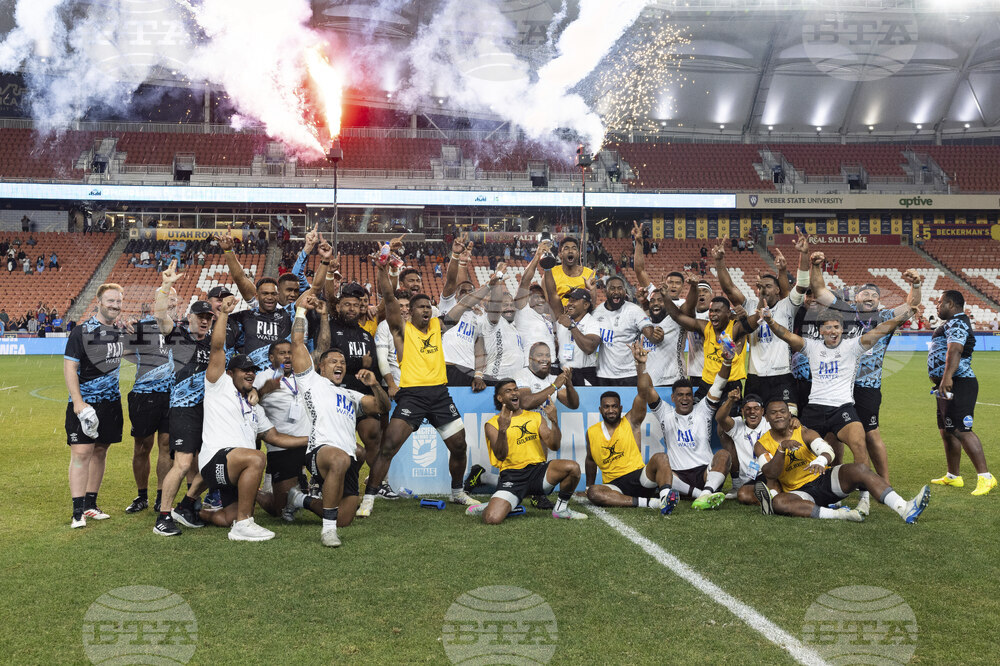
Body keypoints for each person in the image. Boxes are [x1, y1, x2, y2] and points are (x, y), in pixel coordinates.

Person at [759, 303, 911, 516]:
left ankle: (864, 499)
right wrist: (770, 321)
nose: (832, 331)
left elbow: (880, 330)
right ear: (821, 331)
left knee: (859, 443)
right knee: (799, 450)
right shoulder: (812, 346)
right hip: (814, 408)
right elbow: (786, 335)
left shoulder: (853, 346)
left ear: (842, 330)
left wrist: (903, 316)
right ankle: (785, 491)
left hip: (842, 408)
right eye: (828, 328)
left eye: (836, 328)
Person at [357, 258, 478, 518]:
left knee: (459, 446)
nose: (426, 310)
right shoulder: (401, 330)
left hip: (440, 394)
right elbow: (389, 298)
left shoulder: (438, 326)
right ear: (409, 312)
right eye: (420, 307)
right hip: (412, 396)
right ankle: (369, 498)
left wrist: (488, 286)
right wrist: (382, 271)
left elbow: (463, 305)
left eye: (428, 306)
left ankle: (457, 492)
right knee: (388, 447)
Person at [197, 296, 309, 541]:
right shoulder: (219, 384)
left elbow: (275, 437)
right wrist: (224, 314)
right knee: (258, 457)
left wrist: (311, 439)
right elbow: (217, 348)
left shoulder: (253, 406)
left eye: (252, 371)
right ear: (230, 372)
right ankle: (244, 524)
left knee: (226, 517)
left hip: (234, 468)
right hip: (216, 461)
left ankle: (199, 514)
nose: (250, 374)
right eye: (244, 370)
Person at [285, 293, 391, 546]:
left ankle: (300, 500)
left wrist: (375, 385)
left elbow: (381, 406)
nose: (339, 364)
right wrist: (300, 311)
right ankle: (328, 531)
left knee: (345, 516)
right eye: (333, 361)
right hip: (321, 450)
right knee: (342, 457)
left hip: (347, 457)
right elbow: (297, 344)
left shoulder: (351, 393)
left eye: (342, 362)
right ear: (321, 367)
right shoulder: (311, 381)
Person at [809, 250, 922, 483]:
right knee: (833, 434)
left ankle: (884, 482)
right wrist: (816, 266)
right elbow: (819, 291)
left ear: (879, 301)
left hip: (867, 386)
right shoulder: (844, 312)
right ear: (856, 299)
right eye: (864, 293)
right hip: (838, 385)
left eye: (874, 294)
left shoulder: (885, 316)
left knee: (871, 434)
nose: (870, 296)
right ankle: (835, 477)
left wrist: (917, 285)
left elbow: (911, 305)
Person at [754, 399, 930, 523]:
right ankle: (840, 514)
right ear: (766, 417)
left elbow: (827, 450)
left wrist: (821, 461)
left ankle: (904, 508)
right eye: (773, 413)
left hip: (824, 479)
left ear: (789, 414)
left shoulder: (804, 432)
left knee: (860, 468)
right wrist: (782, 448)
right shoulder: (761, 445)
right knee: (779, 503)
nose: (779, 416)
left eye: (782, 412)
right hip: (800, 492)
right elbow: (771, 473)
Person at [152, 263, 216, 536]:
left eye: (208, 317)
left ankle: (187, 505)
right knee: (183, 463)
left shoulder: (213, 343)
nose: (204, 320)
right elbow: (160, 315)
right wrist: (165, 286)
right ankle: (163, 516)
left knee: (210, 463)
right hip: (183, 410)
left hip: (209, 412)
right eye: (199, 316)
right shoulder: (177, 336)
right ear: (189, 317)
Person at [638, 336, 737, 509]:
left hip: (706, 474)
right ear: (673, 398)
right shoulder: (665, 412)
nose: (685, 398)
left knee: (723, 455)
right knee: (662, 471)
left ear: (693, 397)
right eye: (680, 395)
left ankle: (706, 492)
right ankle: (702, 496)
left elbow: (719, 384)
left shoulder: (703, 409)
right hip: (679, 477)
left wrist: (727, 361)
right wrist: (641, 365)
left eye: (688, 395)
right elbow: (647, 389)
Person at [467, 380, 586, 523]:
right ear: (500, 398)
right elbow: (500, 455)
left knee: (572, 468)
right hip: (512, 477)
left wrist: (554, 422)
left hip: (538, 472)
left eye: (515, 389)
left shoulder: (535, 417)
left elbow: (554, 445)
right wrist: (503, 430)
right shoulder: (493, 424)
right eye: (508, 391)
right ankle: (496, 505)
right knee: (491, 518)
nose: (514, 393)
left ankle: (561, 509)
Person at [584, 345, 680, 514]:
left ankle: (665, 497)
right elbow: (590, 460)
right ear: (600, 410)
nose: (611, 410)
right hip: (614, 485)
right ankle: (652, 504)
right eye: (606, 407)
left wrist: (641, 365)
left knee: (660, 457)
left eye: (614, 406)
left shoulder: (631, 421)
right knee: (594, 493)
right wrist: (588, 486)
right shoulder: (592, 432)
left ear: (620, 408)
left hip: (639, 478)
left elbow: (643, 393)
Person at [714, 234, 804, 413]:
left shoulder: (787, 307)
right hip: (755, 376)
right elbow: (729, 288)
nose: (763, 289)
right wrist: (719, 261)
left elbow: (801, 285)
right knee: (752, 422)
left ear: (778, 290)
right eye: (760, 286)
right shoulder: (749, 306)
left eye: (768, 286)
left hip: (782, 375)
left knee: (788, 422)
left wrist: (793, 262)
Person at [63, 284, 126, 528]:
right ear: (98, 302)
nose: (115, 305)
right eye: (110, 300)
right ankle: (77, 511)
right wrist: (78, 401)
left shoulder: (121, 331)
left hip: (111, 403)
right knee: (81, 453)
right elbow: (70, 367)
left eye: (118, 301)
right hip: (85, 403)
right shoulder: (81, 331)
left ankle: (90, 505)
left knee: (100, 451)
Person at [928, 290, 995, 496]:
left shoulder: (957, 322)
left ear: (950, 303)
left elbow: (955, 349)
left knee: (962, 429)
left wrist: (947, 376)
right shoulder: (951, 322)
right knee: (947, 430)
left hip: (959, 382)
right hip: (946, 384)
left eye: (939, 303)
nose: (937, 306)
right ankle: (953, 476)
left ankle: (986, 477)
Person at [124, 294, 177, 514]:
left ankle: (160, 497)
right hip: (144, 395)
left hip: (172, 395)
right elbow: (126, 353)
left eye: (173, 301)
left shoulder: (180, 328)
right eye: (166, 300)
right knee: (142, 447)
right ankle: (141, 495)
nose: (170, 304)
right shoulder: (141, 326)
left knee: (166, 446)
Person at [249, 340, 312, 521]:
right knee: (280, 510)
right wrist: (263, 390)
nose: (287, 356)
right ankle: (250, 491)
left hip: (309, 443)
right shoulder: (263, 377)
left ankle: (310, 489)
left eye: (290, 353)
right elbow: (249, 401)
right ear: (271, 357)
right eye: (282, 353)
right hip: (282, 448)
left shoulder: (302, 375)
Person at [662, 274, 750, 399]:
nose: (701, 294)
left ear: (711, 296)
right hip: (698, 375)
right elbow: (678, 315)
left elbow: (742, 326)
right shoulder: (694, 317)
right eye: (698, 291)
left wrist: (743, 317)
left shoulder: (727, 318)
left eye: (705, 291)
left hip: (725, 376)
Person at [591, 275, 655, 386]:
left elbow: (650, 333)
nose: (616, 291)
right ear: (605, 291)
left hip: (630, 373)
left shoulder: (634, 310)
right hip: (604, 375)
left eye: (620, 288)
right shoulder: (597, 313)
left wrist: (654, 334)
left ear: (625, 291)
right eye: (612, 288)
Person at [715, 390, 769, 504]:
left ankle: (774, 496)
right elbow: (720, 418)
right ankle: (769, 499)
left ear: (762, 411)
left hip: (769, 474)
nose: (752, 412)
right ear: (742, 411)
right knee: (743, 495)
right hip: (749, 479)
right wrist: (730, 400)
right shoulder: (739, 424)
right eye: (748, 409)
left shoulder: (769, 424)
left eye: (756, 408)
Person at [548, 286, 601, 386]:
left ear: (585, 305)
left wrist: (572, 326)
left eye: (575, 300)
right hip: (563, 372)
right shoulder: (562, 321)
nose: (570, 303)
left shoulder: (592, 323)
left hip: (584, 373)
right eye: (569, 300)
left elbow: (589, 348)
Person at [543, 237, 594, 305]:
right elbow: (545, 303)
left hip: (581, 315)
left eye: (574, 248)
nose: (570, 251)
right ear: (560, 253)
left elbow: (592, 305)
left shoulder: (589, 274)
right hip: (557, 314)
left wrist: (590, 290)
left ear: (578, 253)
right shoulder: (550, 273)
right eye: (566, 248)